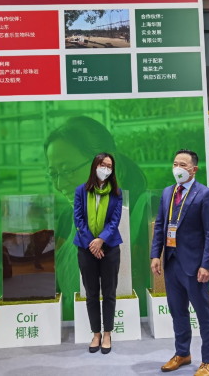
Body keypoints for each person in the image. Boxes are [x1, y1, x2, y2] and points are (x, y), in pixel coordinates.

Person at [44, 116, 149, 320]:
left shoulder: (145, 213)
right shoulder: (67, 219)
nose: (60, 184)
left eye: (67, 170)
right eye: (53, 173)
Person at [151, 150, 209, 376]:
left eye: (183, 165)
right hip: (171, 263)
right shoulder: (167, 192)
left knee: (203, 314)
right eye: (175, 164)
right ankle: (182, 353)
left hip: (195, 265)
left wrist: (207, 264)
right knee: (177, 312)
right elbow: (160, 226)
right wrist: (155, 255)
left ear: (194, 169)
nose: (177, 168)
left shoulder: (205, 194)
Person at [73, 152, 123, 354]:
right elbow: (78, 219)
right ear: (94, 166)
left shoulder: (116, 193)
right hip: (86, 249)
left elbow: (115, 221)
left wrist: (101, 240)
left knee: (109, 293)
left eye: (109, 166)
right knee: (91, 293)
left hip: (109, 248)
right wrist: (91, 244)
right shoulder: (81, 191)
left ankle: (107, 333)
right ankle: (96, 334)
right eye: (103, 164)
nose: (106, 169)